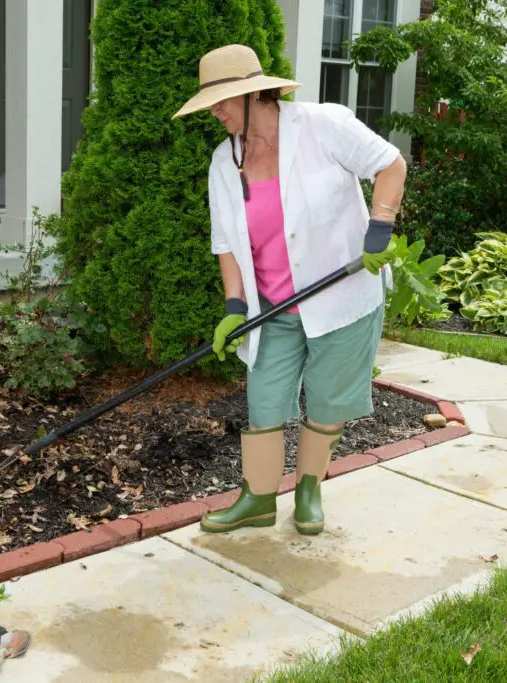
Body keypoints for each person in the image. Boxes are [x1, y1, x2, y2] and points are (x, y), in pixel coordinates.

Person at [172, 44, 406, 535]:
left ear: (253, 93)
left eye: (220, 102)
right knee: (265, 400)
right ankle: (257, 499)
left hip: (341, 300)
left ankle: (308, 488)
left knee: (326, 401)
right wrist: (235, 306)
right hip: (272, 306)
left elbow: (390, 164)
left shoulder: (324, 125)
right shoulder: (223, 160)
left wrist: (379, 228)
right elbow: (226, 243)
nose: (214, 112)